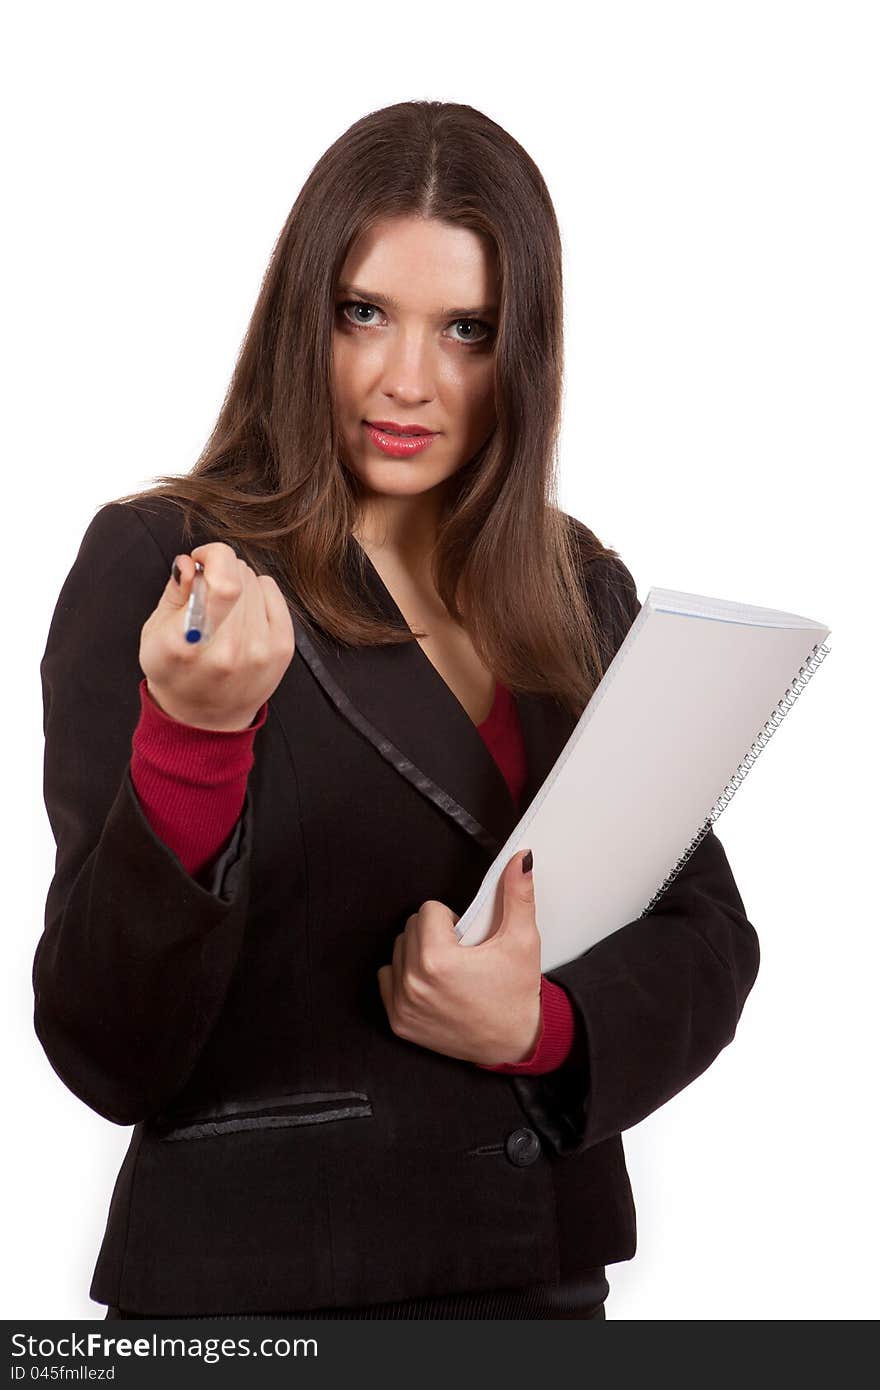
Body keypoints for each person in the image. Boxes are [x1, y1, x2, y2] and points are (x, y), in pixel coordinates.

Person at [33, 100, 760, 1321]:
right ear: (299, 315)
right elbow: (108, 1045)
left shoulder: (576, 586)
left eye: (466, 329)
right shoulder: (167, 565)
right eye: (363, 312)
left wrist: (541, 1026)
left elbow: (706, 937)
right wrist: (196, 743)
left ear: (520, 350)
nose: (405, 380)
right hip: (261, 1296)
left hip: (538, 1281)